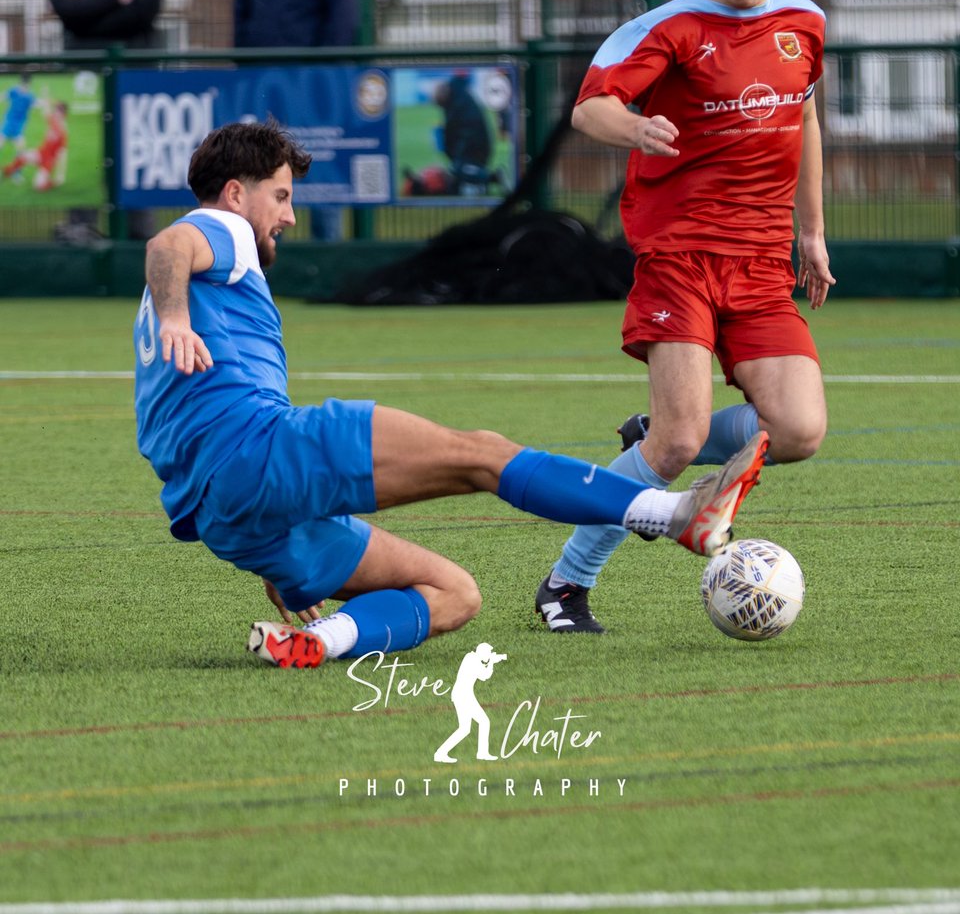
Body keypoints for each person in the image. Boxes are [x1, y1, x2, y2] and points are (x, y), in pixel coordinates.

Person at [134, 120, 769, 669]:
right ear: (236, 193)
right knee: (482, 454)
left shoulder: (204, 292)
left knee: (456, 594)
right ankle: (673, 516)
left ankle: (317, 642)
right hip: (263, 451)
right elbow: (168, 245)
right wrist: (173, 317)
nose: (289, 215)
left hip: (229, 516)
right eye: (280, 196)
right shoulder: (221, 228)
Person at [534, 0, 835, 634]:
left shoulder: (804, 21)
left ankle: (658, 434)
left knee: (799, 431)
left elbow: (805, 124)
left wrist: (812, 231)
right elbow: (589, 107)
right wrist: (635, 129)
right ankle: (565, 586)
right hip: (681, 255)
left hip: (763, 263)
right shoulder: (668, 29)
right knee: (678, 444)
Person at [233, 0, 360, 242]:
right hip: (264, 86)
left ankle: (326, 256)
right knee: (266, 174)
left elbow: (343, 19)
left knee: (321, 174)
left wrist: (322, 76)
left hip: (313, 88)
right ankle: (269, 259)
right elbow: (242, 16)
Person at [48, 0, 166, 241]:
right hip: (85, 80)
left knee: (136, 153)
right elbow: (66, 11)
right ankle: (81, 231)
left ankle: (140, 239)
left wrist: (90, 6)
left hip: (135, 77)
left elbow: (145, 11)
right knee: (85, 153)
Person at [2, 99, 68, 191]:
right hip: (40, 154)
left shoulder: (63, 132)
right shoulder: (53, 121)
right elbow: (46, 113)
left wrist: (61, 174)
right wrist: (47, 101)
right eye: (55, 110)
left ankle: (50, 181)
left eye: (58, 111)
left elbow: (63, 155)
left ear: (64, 114)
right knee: (21, 156)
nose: (55, 113)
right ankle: (8, 171)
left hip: (48, 161)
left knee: (38, 186)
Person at [0, 74, 37, 157]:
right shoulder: (13, 91)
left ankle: (17, 168)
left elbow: (34, 104)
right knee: (1, 142)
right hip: (9, 121)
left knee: (20, 147)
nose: (25, 88)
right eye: (23, 86)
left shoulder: (30, 96)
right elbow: (3, 96)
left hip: (20, 123)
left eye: (27, 86)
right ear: (20, 83)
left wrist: (43, 103)